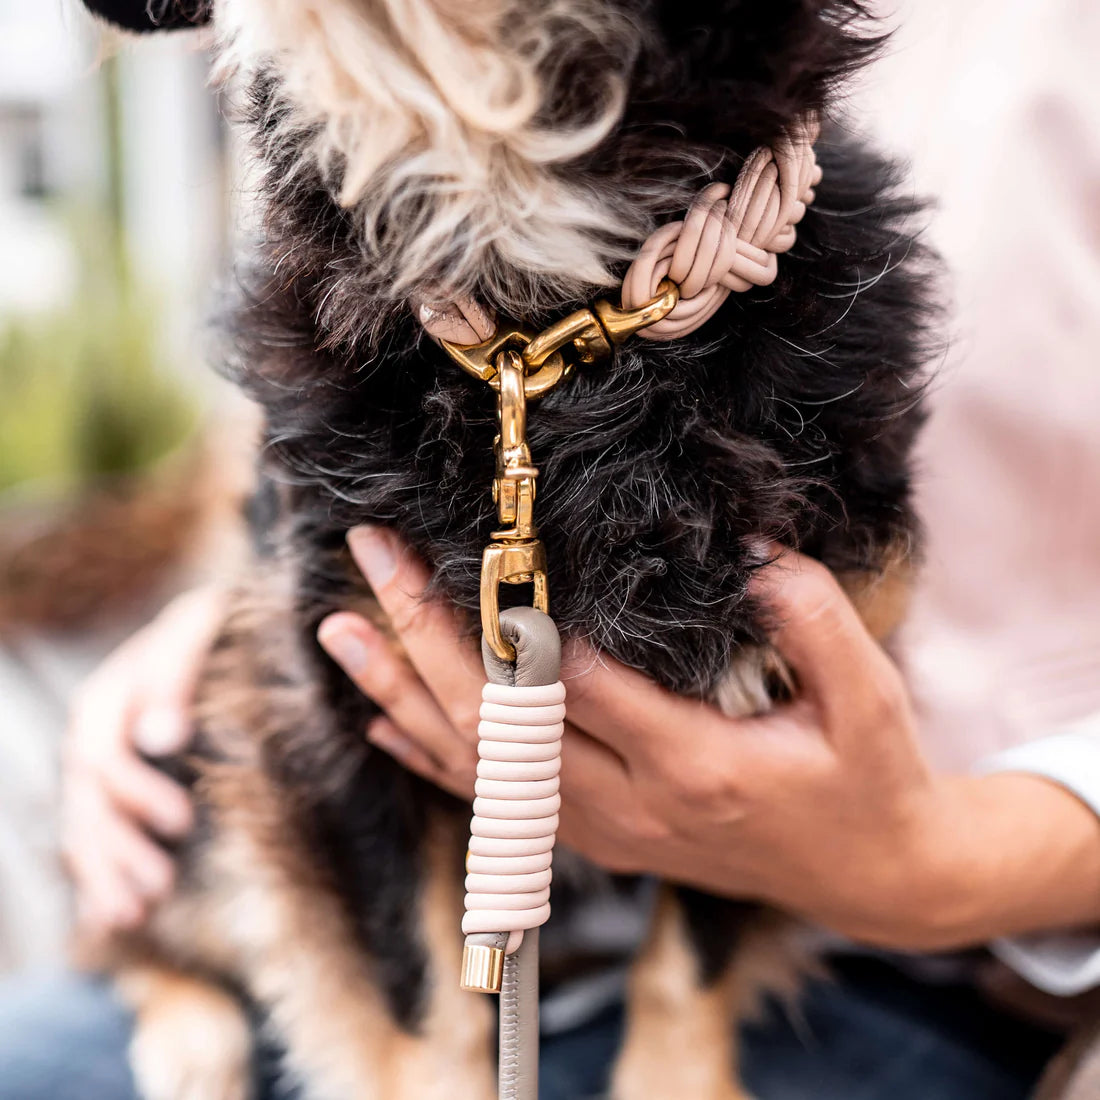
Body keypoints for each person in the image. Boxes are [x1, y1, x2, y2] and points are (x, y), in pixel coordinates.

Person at [3, 1, 1100, 1096]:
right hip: (406, 931)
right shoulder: (359, 204)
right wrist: (255, 620)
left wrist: (931, 861)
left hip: (928, 957)